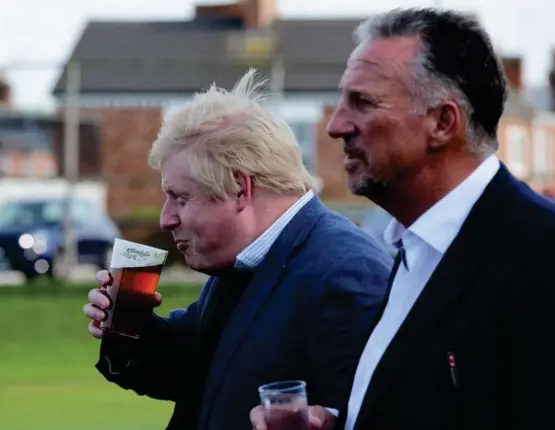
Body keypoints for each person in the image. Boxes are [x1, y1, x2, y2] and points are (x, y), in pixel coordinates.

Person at [251, 7, 555, 430]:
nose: (336, 125)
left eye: (362, 102)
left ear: (442, 122)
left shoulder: (548, 257)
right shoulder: (414, 248)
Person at [82, 69, 393, 430]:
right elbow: (193, 375)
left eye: (181, 198)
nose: (166, 219)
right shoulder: (246, 261)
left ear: (240, 189)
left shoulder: (346, 274)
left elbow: (379, 413)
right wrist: (131, 326)